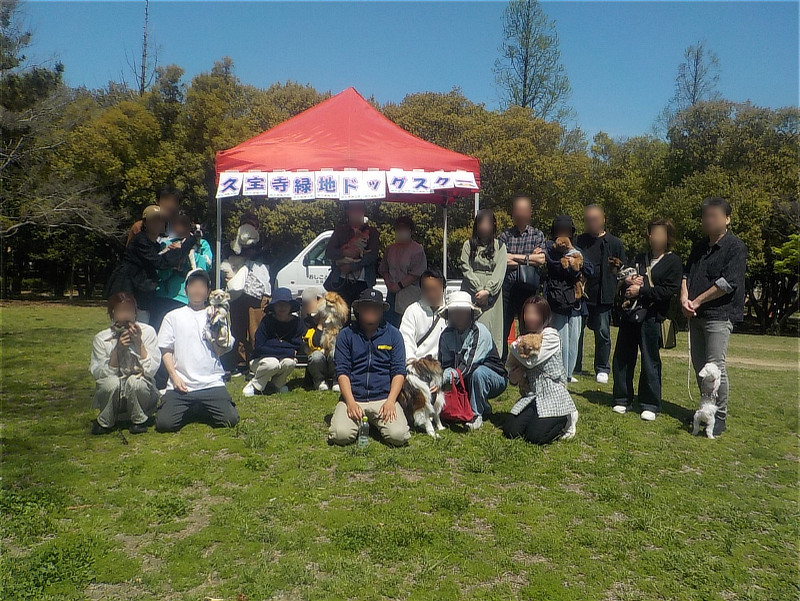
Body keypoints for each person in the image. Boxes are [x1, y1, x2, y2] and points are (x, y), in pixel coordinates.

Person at [681, 197, 747, 437]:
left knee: (715, 368)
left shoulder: (735, 247)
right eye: (705, 216)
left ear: (727, 219)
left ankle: (719, 416)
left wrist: (697, 300)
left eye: (714, 216)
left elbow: (728, 283)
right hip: (696, 314)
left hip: (719, 315)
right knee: (701, 367)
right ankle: (705, 410)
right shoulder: (699, 247)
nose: (708, 220)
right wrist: (684, 298)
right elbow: (686, 275)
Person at [611, 219, 683, 421]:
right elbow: (624, 277)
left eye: (661, 233)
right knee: (623, 356)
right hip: (630, 315)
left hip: (652, 317)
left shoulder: (673, 262)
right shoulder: (639, 258)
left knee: (650, 360)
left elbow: (668, 291)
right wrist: (628, 281)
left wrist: (641, 290)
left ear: (668, 237)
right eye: (653, 233)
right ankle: (622, 398)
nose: (656, 237)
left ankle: (650, 403)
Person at [155, 269, 239, 432]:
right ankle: (193, 407)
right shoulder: (172, 316)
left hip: (211, 382)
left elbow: (223, 349)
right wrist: (174, 377)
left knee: (230, 419)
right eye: (193, 286)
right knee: (164, 424)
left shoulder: (217, 315)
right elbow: (165, 350)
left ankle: (200, 407)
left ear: (208, 292)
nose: (197, 290)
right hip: (181, 384)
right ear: (186, 290)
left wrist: (218, 335)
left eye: (201, 287)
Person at [327, 288, 410, 447]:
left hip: (383, 398)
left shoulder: (394, 334)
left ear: (382, 310)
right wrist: (350, 402)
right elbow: (342, 371)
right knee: (340, 435)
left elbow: (399, 371)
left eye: (375, 307)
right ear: (358, 308)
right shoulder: (346, 334)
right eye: (366, 306)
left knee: (399, 436)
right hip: (354, 397)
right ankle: (362, 422)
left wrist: (391, 401)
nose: (371, 310)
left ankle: (371, 423)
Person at [105, 205, 199, 325]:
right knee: (123, 326)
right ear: (145, 223)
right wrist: (187, 244)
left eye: (160, 220)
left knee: (142, 328)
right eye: (153, 220)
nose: (157, 224)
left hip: (142, 292)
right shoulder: (140, 240)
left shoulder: (155, 245)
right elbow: (161, 263)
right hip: (127, 289)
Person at [504, 296, 579, 445]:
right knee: (511, 431)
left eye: (535, 313)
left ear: (544, 315)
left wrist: (514, 347)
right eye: (527, 313)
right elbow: (512, 376)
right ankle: (536, 419)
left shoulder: (551, 336)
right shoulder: (522, 339)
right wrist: (514, 376)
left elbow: (531, 361)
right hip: (532, 395)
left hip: (553, 395)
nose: (530, 317)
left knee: (535, 437)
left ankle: (566, 418)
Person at [89, 292, 160, 435]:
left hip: (141, 392)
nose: (125, 316)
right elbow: (99, 374)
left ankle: (139, 420)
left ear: (135, 313)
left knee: (135, 381)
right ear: (112, 314)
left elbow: (152, 370)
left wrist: (138, 343)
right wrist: (118, 349)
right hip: (115, 392)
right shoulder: (101, 338)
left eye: (129, 311)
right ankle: (105, 421)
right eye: (121, 311)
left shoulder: (148, 332)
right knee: (111, 382)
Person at [439, 291, 508, 431]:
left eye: (463, 310)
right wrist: (440, 379)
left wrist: (445, 377)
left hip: (494, 377)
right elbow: (445, 364)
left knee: (478, 373)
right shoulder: (445, 335)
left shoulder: (479, 331)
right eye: (454, 311)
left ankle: (476, 414)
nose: (459, 315)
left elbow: (468, 365)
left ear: (470, 312)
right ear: (448, 313)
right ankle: (479, 405)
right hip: (463, 378)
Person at [575, 204, 627, 384]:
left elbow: (623, 270)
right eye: (588, 220)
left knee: (603, 333)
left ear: (603, 219)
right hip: (582, 295)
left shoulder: (615, 244)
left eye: (595, 219)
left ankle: (602, 368)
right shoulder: (579, 241)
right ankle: (575, 366)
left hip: (604, 295)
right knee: (577, 333)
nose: (592, 223)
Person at [544, 215, 594, 382]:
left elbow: (590, 269)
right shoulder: (550, 248)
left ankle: (569, 373)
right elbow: (557, 266)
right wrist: (574, 267)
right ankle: (559, 372)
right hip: (557, 300)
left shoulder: (576, 249)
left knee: (573, 340)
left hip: (575, 303)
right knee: (559, 339)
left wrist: (576, 260)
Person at [498, 194, 547, 359]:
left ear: (530, 212)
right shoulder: (504, 236)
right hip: (508, 289)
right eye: (518, 210)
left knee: (528, 327)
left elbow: (541, 260)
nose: (521, 214)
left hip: (529, 289)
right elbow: (501, 260)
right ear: (513, 212)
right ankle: (501, 363)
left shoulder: (537, 235)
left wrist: (514, 257)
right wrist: (528, 259)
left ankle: (527, 361)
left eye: (524, 210)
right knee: (503, 328)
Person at [221, 220, 271, 375]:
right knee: (238, 328)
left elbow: (260, 256)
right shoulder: (231, 245)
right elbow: (229, 255)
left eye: (252, 223)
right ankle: (241, 362)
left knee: (255, 329)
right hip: (237, 292)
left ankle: (257, 361)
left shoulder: (263, 243)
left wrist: (251, 246)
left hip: (256, 292)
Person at [152, 212, 213, 331]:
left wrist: (185, 251)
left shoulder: (203, 244)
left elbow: (205, 267)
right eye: (177, 224)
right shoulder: (166, 243)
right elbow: (159, 271)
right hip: (163, 296)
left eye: (184, 224)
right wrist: (172, 261)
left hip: (187, 299)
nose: (180, 227)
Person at [459, 209, 508, 353]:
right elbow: (465, 267)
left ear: (493, 225)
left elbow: (500, 271)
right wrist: (479, 288)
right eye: (481, 223)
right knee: (468, 328)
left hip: (492, 295)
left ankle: (491, 359)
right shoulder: (468, 245)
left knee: (490, 330)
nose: (484, 227)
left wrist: (488, 291)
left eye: (487, 223)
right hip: (471, 291)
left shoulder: (500, 246)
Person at [243, 288, 304, 397]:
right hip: (261, 360)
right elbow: (259, 346)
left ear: (291, 306)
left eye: (285, 304)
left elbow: (297, 345)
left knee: (290, 363)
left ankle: (275, 385)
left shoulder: (297, 323)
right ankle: (255, 385)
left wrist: (274, 346)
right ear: (274, 306)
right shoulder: (266, 321)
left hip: (282, 359)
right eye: (279, 304)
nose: (282, 307)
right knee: (272, 363)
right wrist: (286, 349)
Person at [324, 202, 379, 306]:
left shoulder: (372, 232)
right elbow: (329, 252)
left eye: (359, 210)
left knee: (362, 312)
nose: (356, 213)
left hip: (364, 281)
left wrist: (352, 266)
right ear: (348, 212)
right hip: (341, 280)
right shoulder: (340, 231)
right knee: (342, 312)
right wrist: (344, 252)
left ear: (363, 211)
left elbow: (372, 255)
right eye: (353, 210)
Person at [378, 216, 428, 326]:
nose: (401, 231)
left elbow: (416, 273)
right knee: (390, 325)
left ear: (411, 231)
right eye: (398, 228)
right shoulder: (390, 248)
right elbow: (383, 268)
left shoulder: (417, 249)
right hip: (392, 294)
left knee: (408, 323)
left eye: (404, 228)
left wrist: (399, 285)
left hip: (409, 294)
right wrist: (389, 283)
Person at [399, 268, 447, 364]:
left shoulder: (450, 311)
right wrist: (412, 365)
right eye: (427, 290)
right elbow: (406, 341)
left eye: (435, 289)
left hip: (443, 365)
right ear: (421, 290)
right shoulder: (412, 311)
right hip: (418, 364)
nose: (431, 294)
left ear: (443, 289)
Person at [301, 286, 339, 392]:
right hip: (316, 362)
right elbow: (315, 342)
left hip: (332, 359)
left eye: (308, 302)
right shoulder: (305, 322)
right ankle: (319, 381)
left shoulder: (334, 319)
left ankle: (337, 380)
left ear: (319, 301)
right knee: (316, 356)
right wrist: (320, 323)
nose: (305, 306)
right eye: (303, 303)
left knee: (335, 352)